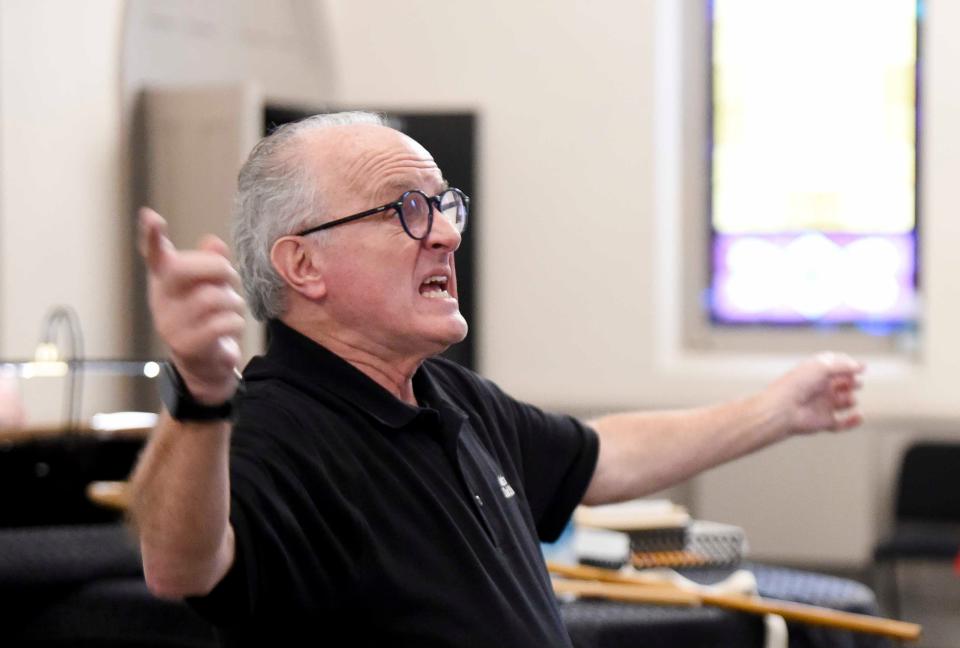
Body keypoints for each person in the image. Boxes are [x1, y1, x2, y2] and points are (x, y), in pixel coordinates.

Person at [129, 111, 863, 647]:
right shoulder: (271, 426)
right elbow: (180, 563)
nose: (446, 231)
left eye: (445, 205)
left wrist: (778, 410)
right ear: (304, 265)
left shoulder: (449, 396)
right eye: (407, 210)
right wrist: (198, 394)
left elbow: (602, 456)